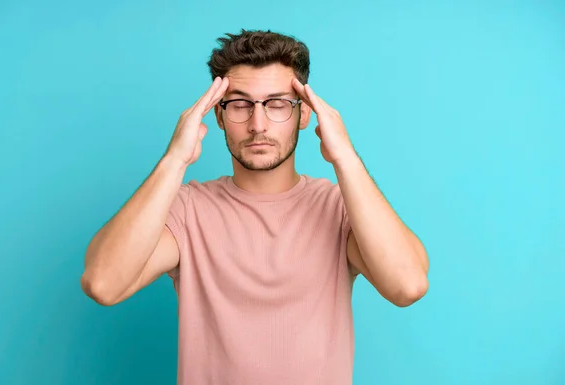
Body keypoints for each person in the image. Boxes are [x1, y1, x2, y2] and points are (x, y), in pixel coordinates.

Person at [81, 29, 429, 384]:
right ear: (218, 116)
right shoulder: (187, 210)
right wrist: (174, 159)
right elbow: (103, 283)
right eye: (240, 104)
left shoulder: (340, 208)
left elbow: (408, 285)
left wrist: (346, 157)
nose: (257, 124)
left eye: (277, 104)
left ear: (304, 114)